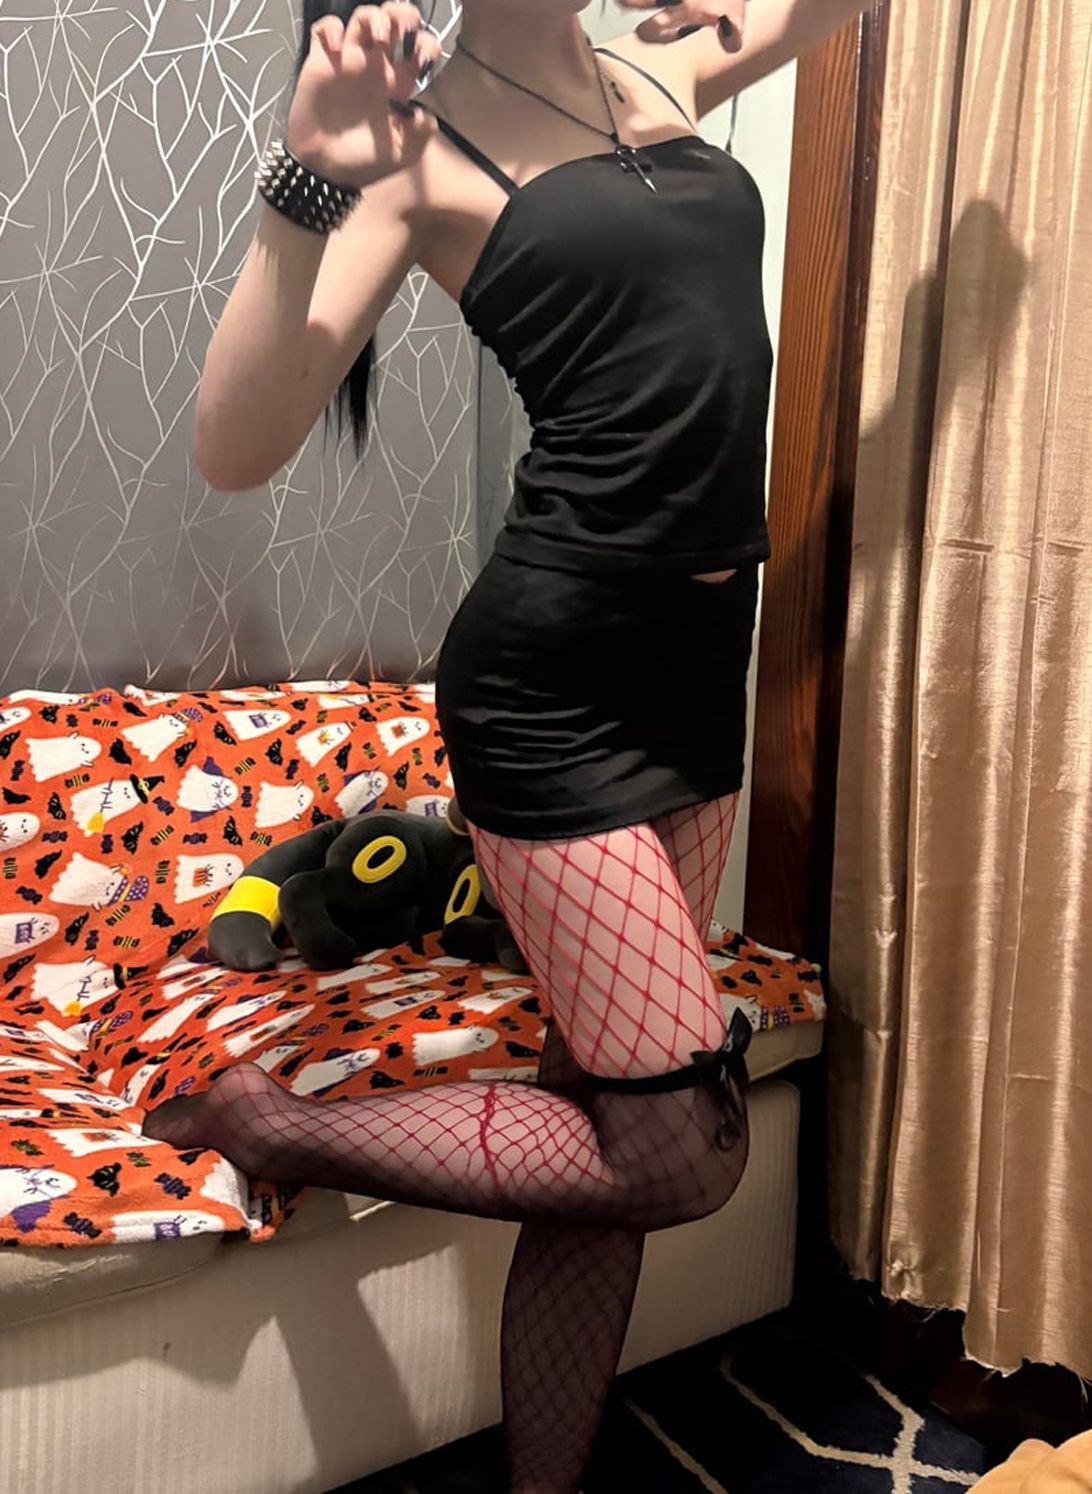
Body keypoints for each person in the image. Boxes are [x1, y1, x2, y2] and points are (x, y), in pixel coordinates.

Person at [145, 2, 871, 1488]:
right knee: (677, 1147)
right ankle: (277, 1125)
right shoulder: (418, 152)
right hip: (554, 689)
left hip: (698, 675)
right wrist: (309, 177)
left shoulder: (667, 57)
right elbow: (231, 445)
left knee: (603, 1126)